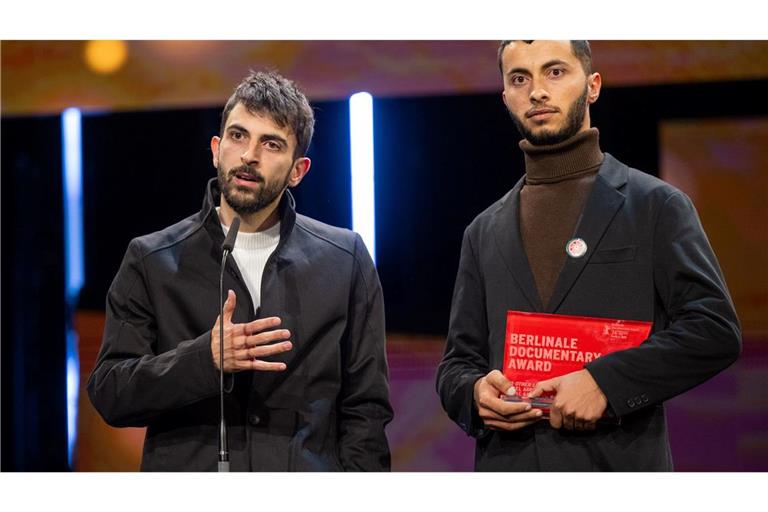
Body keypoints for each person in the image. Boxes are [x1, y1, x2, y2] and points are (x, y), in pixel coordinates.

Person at [436, 40, 741, 471]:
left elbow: (714, 330)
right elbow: (457, 363)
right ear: (506, 96)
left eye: (555, 72)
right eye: (520, 79)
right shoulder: (483, 230)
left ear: (593, 85)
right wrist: (473, 394)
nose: (537, 91)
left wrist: (605, 382)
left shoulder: (656, 205)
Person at [87, 70, 393, 471]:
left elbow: (366, 410)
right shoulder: (151, 258)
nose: (249, 155)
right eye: (238, 136)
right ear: (216, 149)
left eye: (271, 144)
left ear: (298, 170)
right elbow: (110, 393)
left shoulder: (345, 259)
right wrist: (203, 359)